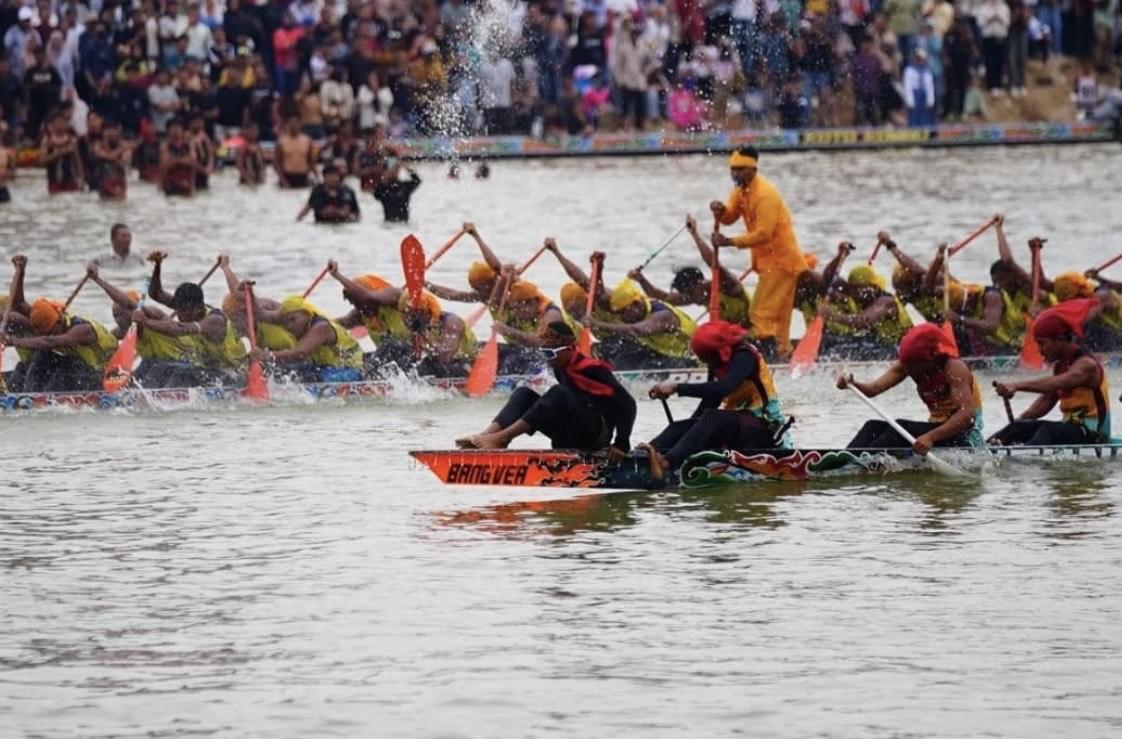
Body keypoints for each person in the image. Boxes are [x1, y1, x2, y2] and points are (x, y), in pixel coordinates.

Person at [639, 320, 790, 481]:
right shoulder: (718, 361)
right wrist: (688, 432)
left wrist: (677, 388)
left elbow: (723, 388)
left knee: (712, 417)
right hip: (740, 424)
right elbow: (711, 399)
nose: (705, 362)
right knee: (681, 426)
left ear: (718, 352)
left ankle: (666, 463)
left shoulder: (744, 356)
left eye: (706, 358)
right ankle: (642, 455)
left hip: (764, 425)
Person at [455, 321, 636, 455]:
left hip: (595, 436)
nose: (547, 358)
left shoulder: (593, 369)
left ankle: (502, 437)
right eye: (544, 353)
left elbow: (628, 404)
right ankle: (488, 435)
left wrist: (621, 444)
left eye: (550, 353)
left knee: (557, 393)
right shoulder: (560, 367)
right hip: (571, 430)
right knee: (523, 393)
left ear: (569, 349)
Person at [710, 147, 807, 359]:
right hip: (767, 262)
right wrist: (720, 211)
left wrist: (729, 241)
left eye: (740, 169)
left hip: (782, 261)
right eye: (732, 169)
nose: (735, 174)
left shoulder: (765, 194)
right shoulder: (740, 190)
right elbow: (730, 216)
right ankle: (782, 353)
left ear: (753, 169)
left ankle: (767, 359)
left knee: (760, 313)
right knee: (779, 316)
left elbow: (764, 234)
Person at [836, 324, 985, 453]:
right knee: (872, 427)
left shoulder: (954, 368)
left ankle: (866, 463)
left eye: (913, 365)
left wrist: (930, 437)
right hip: (936, 427)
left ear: (931, 357)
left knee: (900, 427)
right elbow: (873, 389)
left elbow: (966, 417)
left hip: (964, 435)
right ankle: (843, 460)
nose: (909, 369)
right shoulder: (908, 364)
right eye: (906, 364)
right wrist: (852, 384)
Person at [991, 299, 1112, 445]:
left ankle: (1024, 461)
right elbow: (1047, 399)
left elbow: (1057, 383)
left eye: (1042, 343)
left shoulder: (1087, 365)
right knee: (1017, 428)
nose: (1040, 351)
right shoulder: (1060, 366)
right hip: (1071, 428)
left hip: (1093, 434)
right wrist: (1020, 421)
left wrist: (1017, 386)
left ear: (1060, 340)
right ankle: (980, 453)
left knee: (1048, 430)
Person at [328, 262, 477, 377]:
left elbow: (443, 357)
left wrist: (337, 275)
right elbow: (334, 324)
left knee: (394, 346)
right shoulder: (365, 314)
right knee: (367, 357)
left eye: (408, 316)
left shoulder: (451, 323)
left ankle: (367, 381)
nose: (406, 320)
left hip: (462, 367)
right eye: (404, 315)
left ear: (424, 313)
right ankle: (363, 378)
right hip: (413, 359)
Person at [139, 251, 246, 385]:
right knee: (158, 365)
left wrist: (145, 321)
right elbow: (156, 293)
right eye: (177, 309)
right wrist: (157, 265)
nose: (179, 315)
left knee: (183, 373)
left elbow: (180, 330)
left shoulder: (215, 321)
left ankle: (169, 399)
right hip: (208, 369)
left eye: (182, 311)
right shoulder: (186, 308)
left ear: (198, 308)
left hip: (233, 374)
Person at [629, 214, 751, 330]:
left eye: (691, 293)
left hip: (757, 330)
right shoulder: (698, 295)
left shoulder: (727, 285)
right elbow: (664, 297)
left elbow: (714, 264)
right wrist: (641, 279)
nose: (691, 298)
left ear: (700, 282)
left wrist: (694, 234)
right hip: (734, 335)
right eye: (688, 295)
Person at [5, 288, 118, 392]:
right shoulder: (54, 325)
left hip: (103, 375)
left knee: (67, 365)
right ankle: (29, 394)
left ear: (58, 321)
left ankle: (44, 397)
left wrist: (16, 342)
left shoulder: (82, 329)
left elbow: (50, 341)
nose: (50, 335)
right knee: (42, 356)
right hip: (81, 372)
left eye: (50, 332)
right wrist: (20, 271)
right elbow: (18, 304)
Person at [589, 276, 698, 369]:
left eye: (623, 312)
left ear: (636, 304)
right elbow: (599, 295)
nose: (621, 318)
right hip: (664, 354)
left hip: (692, 359)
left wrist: (597, 324)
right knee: (609, 347)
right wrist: (599, 269)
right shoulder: (640, 310)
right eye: (618, 314)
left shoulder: (662, 315)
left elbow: (636, 330)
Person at [252, 295, 363, 382]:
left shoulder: (321, 327)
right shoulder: (302, 323)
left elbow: (300, 354)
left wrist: (265, 355)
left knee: (302, 377)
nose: (289, 326)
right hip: (324, 367)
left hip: (351, 370)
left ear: (306, 313)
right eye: (285, 322)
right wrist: (247, 291)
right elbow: (259, 314)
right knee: (282, 372)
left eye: (292, 319)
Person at [820, 265, 913, 359]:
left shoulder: (886, 301)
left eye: (857, 289)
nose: (853, 294)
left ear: (872, 287)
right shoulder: (862, 297)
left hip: (899, 347)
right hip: (879, 342)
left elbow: (863, 321)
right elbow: (829, 277)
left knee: (842, 351)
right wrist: (841, 254)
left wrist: (832, 315)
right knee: (830, 341)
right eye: (852, 289)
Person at [40, 110, 84, 194]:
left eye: (63, 122)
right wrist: (58, 154)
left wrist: (81, 178)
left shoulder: (72, 140)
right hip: (54, 181)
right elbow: (41, 161)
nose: (60, 125)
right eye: (58, 122)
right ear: (51, 124)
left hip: (70, 180)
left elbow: (78, 162)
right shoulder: (47, 141)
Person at [89, 119, 130, 200]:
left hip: (120, 181)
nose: (112, 132)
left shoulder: (123, 144)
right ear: (103, 131)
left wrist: (115, 154)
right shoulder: (97, 144)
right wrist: (114, 154)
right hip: (104, 180)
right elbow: (99, 154)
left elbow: (125, 162)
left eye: (114, 129)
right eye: (108, 130)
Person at [159, 118, 197, 196]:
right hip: (171, 187)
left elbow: (193, 161)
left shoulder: (189, 145)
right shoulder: (165, 146)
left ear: (183, 130)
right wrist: (184, 160)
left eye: (178, 128)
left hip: (187, 186)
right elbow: (166, 164)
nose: (175, 131)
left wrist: (175, 160)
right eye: (173, 128)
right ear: (168, 131)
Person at [274, 116, 316, 188]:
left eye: (296, 124)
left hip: (303, 175)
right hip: (287, 176)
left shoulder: (307, 140)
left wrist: (316, 175)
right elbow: (276, 163)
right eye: (291, 124)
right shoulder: (281, 141)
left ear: (300, 125)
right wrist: (282, 179)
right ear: (287, 125)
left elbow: (311, 160)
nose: (293, 126)